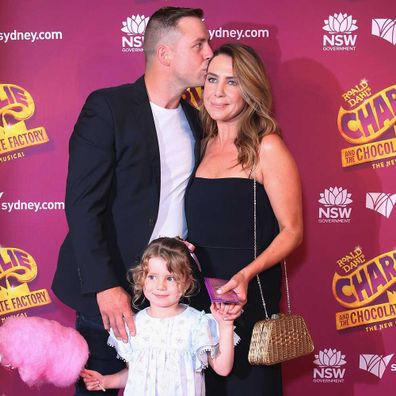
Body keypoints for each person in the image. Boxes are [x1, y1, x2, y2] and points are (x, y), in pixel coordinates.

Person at [52, 7, 213, 395]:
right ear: (165, 54)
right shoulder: (108, 109)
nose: (209, 52)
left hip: (170, 290)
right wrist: (106, 285)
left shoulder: (196, 119)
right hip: (111, 290)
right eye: (199, 44)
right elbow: (82, 204)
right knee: (101, 387)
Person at [185, 43, 303, 395]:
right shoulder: (202, 145)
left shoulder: (267, 147)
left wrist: (247, 275)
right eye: (212, 79)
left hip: (247, 299)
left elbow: (292, 231)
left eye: (232, 82)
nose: (218, 92)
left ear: (250, 90)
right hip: (199, 302)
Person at [80, 237, 236, 395]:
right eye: (152, 277)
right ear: (142, 279)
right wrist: (106, 381)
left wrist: (226, 326)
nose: (160, 286)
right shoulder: (134, 325)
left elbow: (223, 368)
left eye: (170, 278)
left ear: (187, 283)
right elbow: (136, 374)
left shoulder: (197, 323)